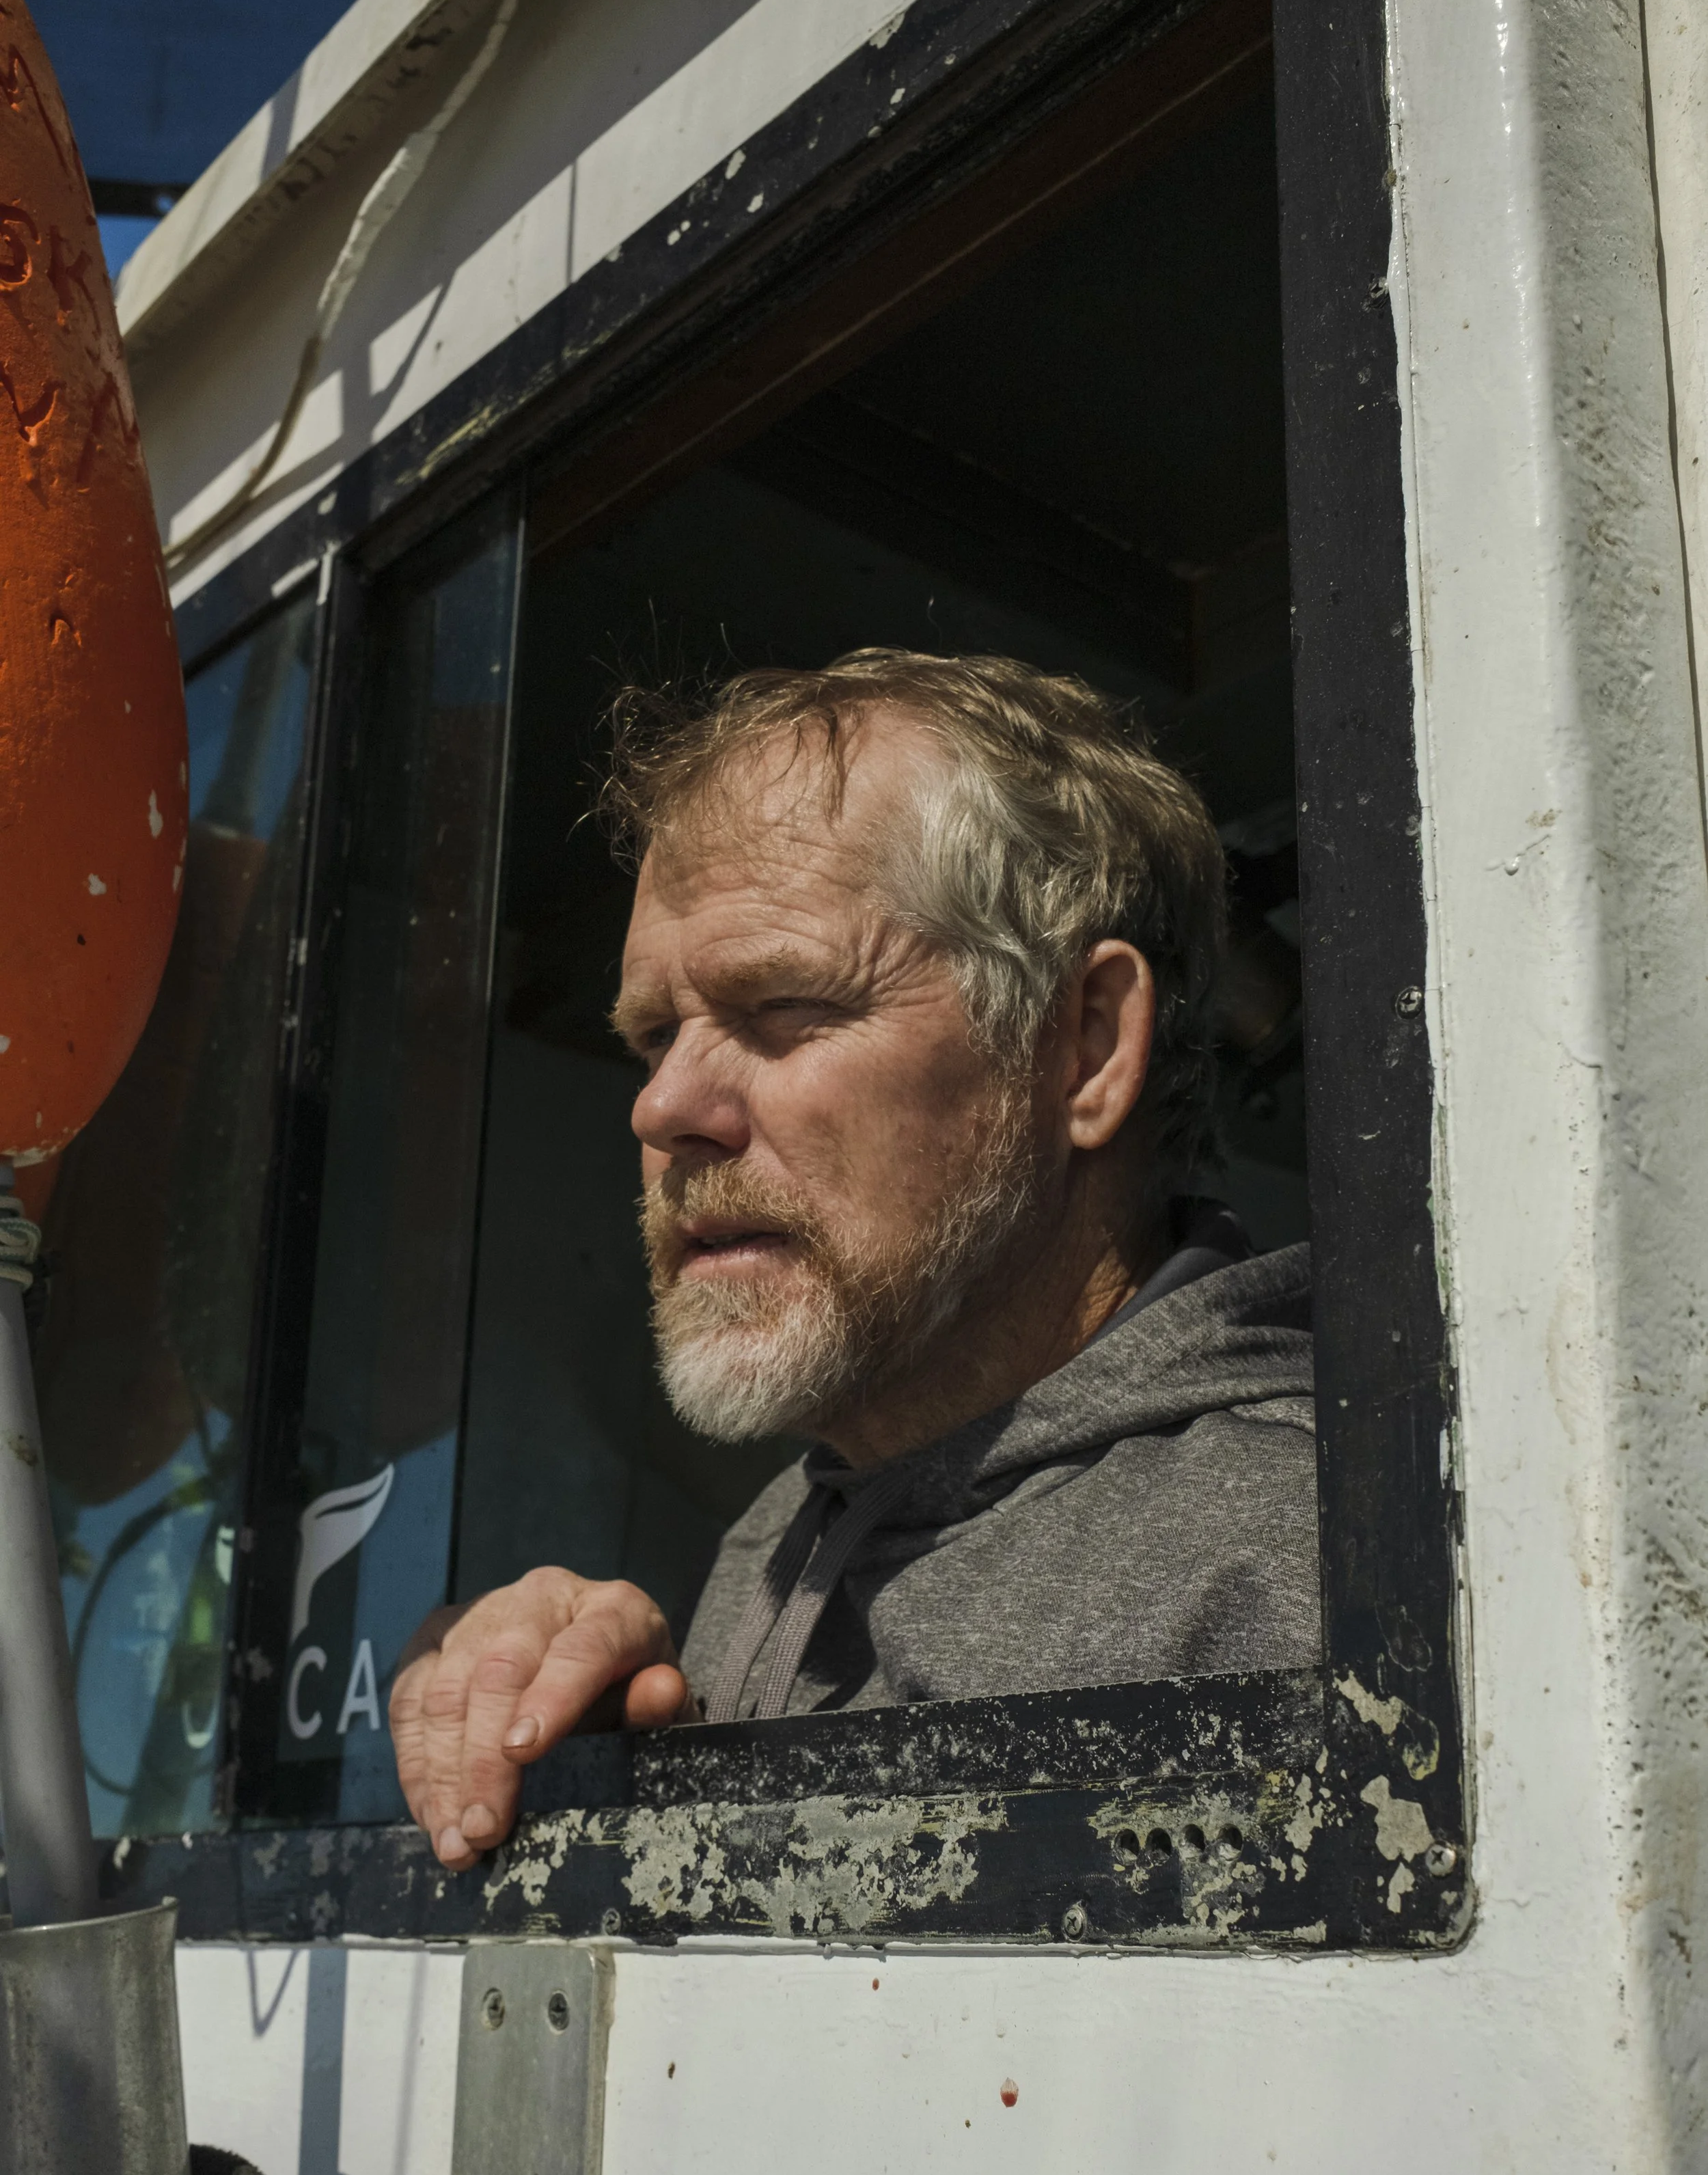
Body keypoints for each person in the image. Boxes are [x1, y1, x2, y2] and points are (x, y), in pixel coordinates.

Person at [391, 649, 1317, 1871]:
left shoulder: (1303, 1570)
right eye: (654, 1035)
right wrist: (579, 1752)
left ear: (1084, 1045)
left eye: (785, 1008)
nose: (662, 1107)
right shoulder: (779, 1535)